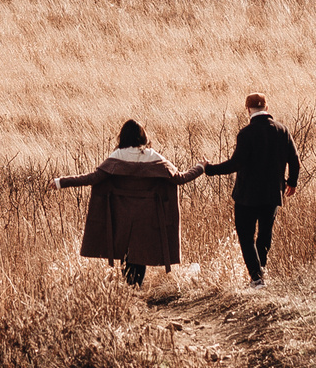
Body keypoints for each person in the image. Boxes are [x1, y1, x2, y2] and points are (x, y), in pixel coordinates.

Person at [53, 119, 203, 285]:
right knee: (140, 254)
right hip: (148, 216)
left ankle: (130, 290)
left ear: (122, 137)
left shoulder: (117, 157)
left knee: (126, 253)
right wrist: (200, 167)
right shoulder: (153, 156)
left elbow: (92, 178)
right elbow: (180, 178)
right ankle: (135, 288)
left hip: (122, 216)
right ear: (143, 136)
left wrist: (61, 182)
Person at [203, 94, 300, 285]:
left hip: (247, 196)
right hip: (273, 194)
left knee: (246, 236)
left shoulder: (246, 133)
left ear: (247, 109)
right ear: (266, 106)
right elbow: (295, 160)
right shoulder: (282, 130)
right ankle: (260, 274)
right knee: (264, 235)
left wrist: (210, 169)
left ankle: (257, 278)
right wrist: (292, 182)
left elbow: (236, 164)